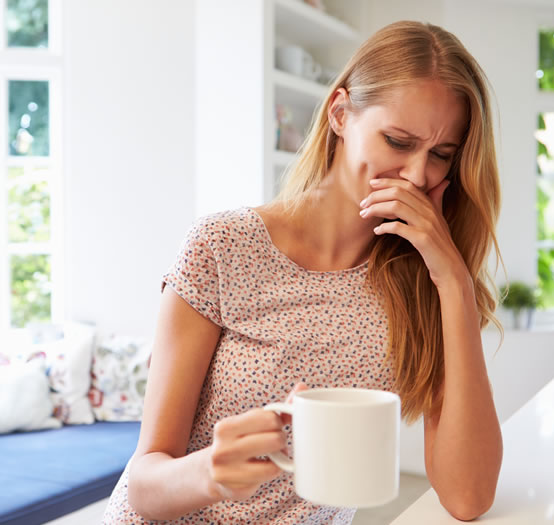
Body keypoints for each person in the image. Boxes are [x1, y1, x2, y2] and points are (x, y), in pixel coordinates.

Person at [103, 20, 503, 524]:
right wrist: (210, 472)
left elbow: (468, 498)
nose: (419, 175)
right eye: (398, 142)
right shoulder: (222, 247)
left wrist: (455, 282)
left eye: (441, 155)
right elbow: (144, 485)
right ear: (340, 114)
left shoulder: (425, 284)